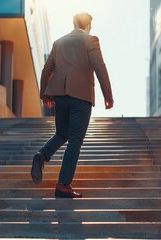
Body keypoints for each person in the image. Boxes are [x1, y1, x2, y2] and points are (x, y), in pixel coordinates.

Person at [31, 12, 114, 198]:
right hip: (81, 96)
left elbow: (47, 70)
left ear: (73, 23)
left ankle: (42, 155)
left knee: (62, 133)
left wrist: (44, 94)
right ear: (88, 25)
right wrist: (108, 95)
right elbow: (100, 67)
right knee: (75, 139)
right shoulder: (90, 40)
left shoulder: (59, 42)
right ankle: (63, 185)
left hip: (60, 96)